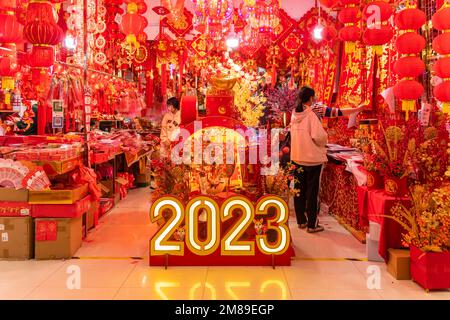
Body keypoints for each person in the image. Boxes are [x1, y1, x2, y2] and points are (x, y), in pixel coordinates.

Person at [290, 86, 329, 233]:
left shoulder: (294, 114)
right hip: (312, 160)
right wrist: (325, 141)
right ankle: (312, 224)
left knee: (299, 190)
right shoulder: (311, 115)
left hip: (298, 158)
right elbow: (319, 137)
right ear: (311, 98)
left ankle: (301, 221)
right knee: (312, 192)